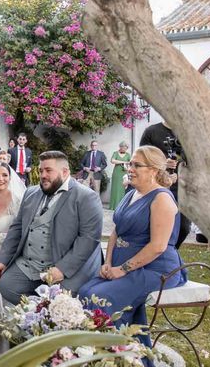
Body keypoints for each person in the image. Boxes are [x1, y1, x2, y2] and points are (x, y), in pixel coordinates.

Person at [78, 146, 187, 348]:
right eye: (130, 164)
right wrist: (108, 262)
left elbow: (158, 246)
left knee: (101, 298)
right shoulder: (131, 194)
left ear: (154, 170)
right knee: (84, 290)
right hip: (122, 265)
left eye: (137, 165)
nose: (130, 169)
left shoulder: (161, 198)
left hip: (156, 269)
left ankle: (114, 351)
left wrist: (122, 269)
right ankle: (96, 350)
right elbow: (115, 232)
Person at [0, 151, 103, 304]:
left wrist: (62, 269)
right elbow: (17, 228)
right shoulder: (31, 192)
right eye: (41, 170)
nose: (43, 175)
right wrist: (2, 260)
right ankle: (37, 310)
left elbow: (89, 239)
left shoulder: (86, 197)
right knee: (7, 286)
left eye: (48, 170)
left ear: (65, 172)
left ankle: (47, 311)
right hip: (29, 263)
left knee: (62, 300)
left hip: (62, 264)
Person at [140, 121, 191, 248]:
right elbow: (142, 158)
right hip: (155, 185)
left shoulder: (187, 133)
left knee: (183, 228)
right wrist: (162, 163)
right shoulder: (151, 132)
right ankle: (154, 251)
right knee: (152, 223)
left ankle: (170, 251)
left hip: (180, 188)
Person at [109, 141, 131, 210]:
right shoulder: (115, 153)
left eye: (126, 148)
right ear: (120, 147)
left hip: (124, 173)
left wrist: (127, 167)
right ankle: (114, 206)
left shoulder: (128, 154)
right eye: (124, 148)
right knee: (115, 189)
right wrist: (124, 162)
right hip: (116, 173)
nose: (125, 149)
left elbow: (130, 163)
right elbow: (113, 161)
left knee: (122, 189)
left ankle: (121, 206)